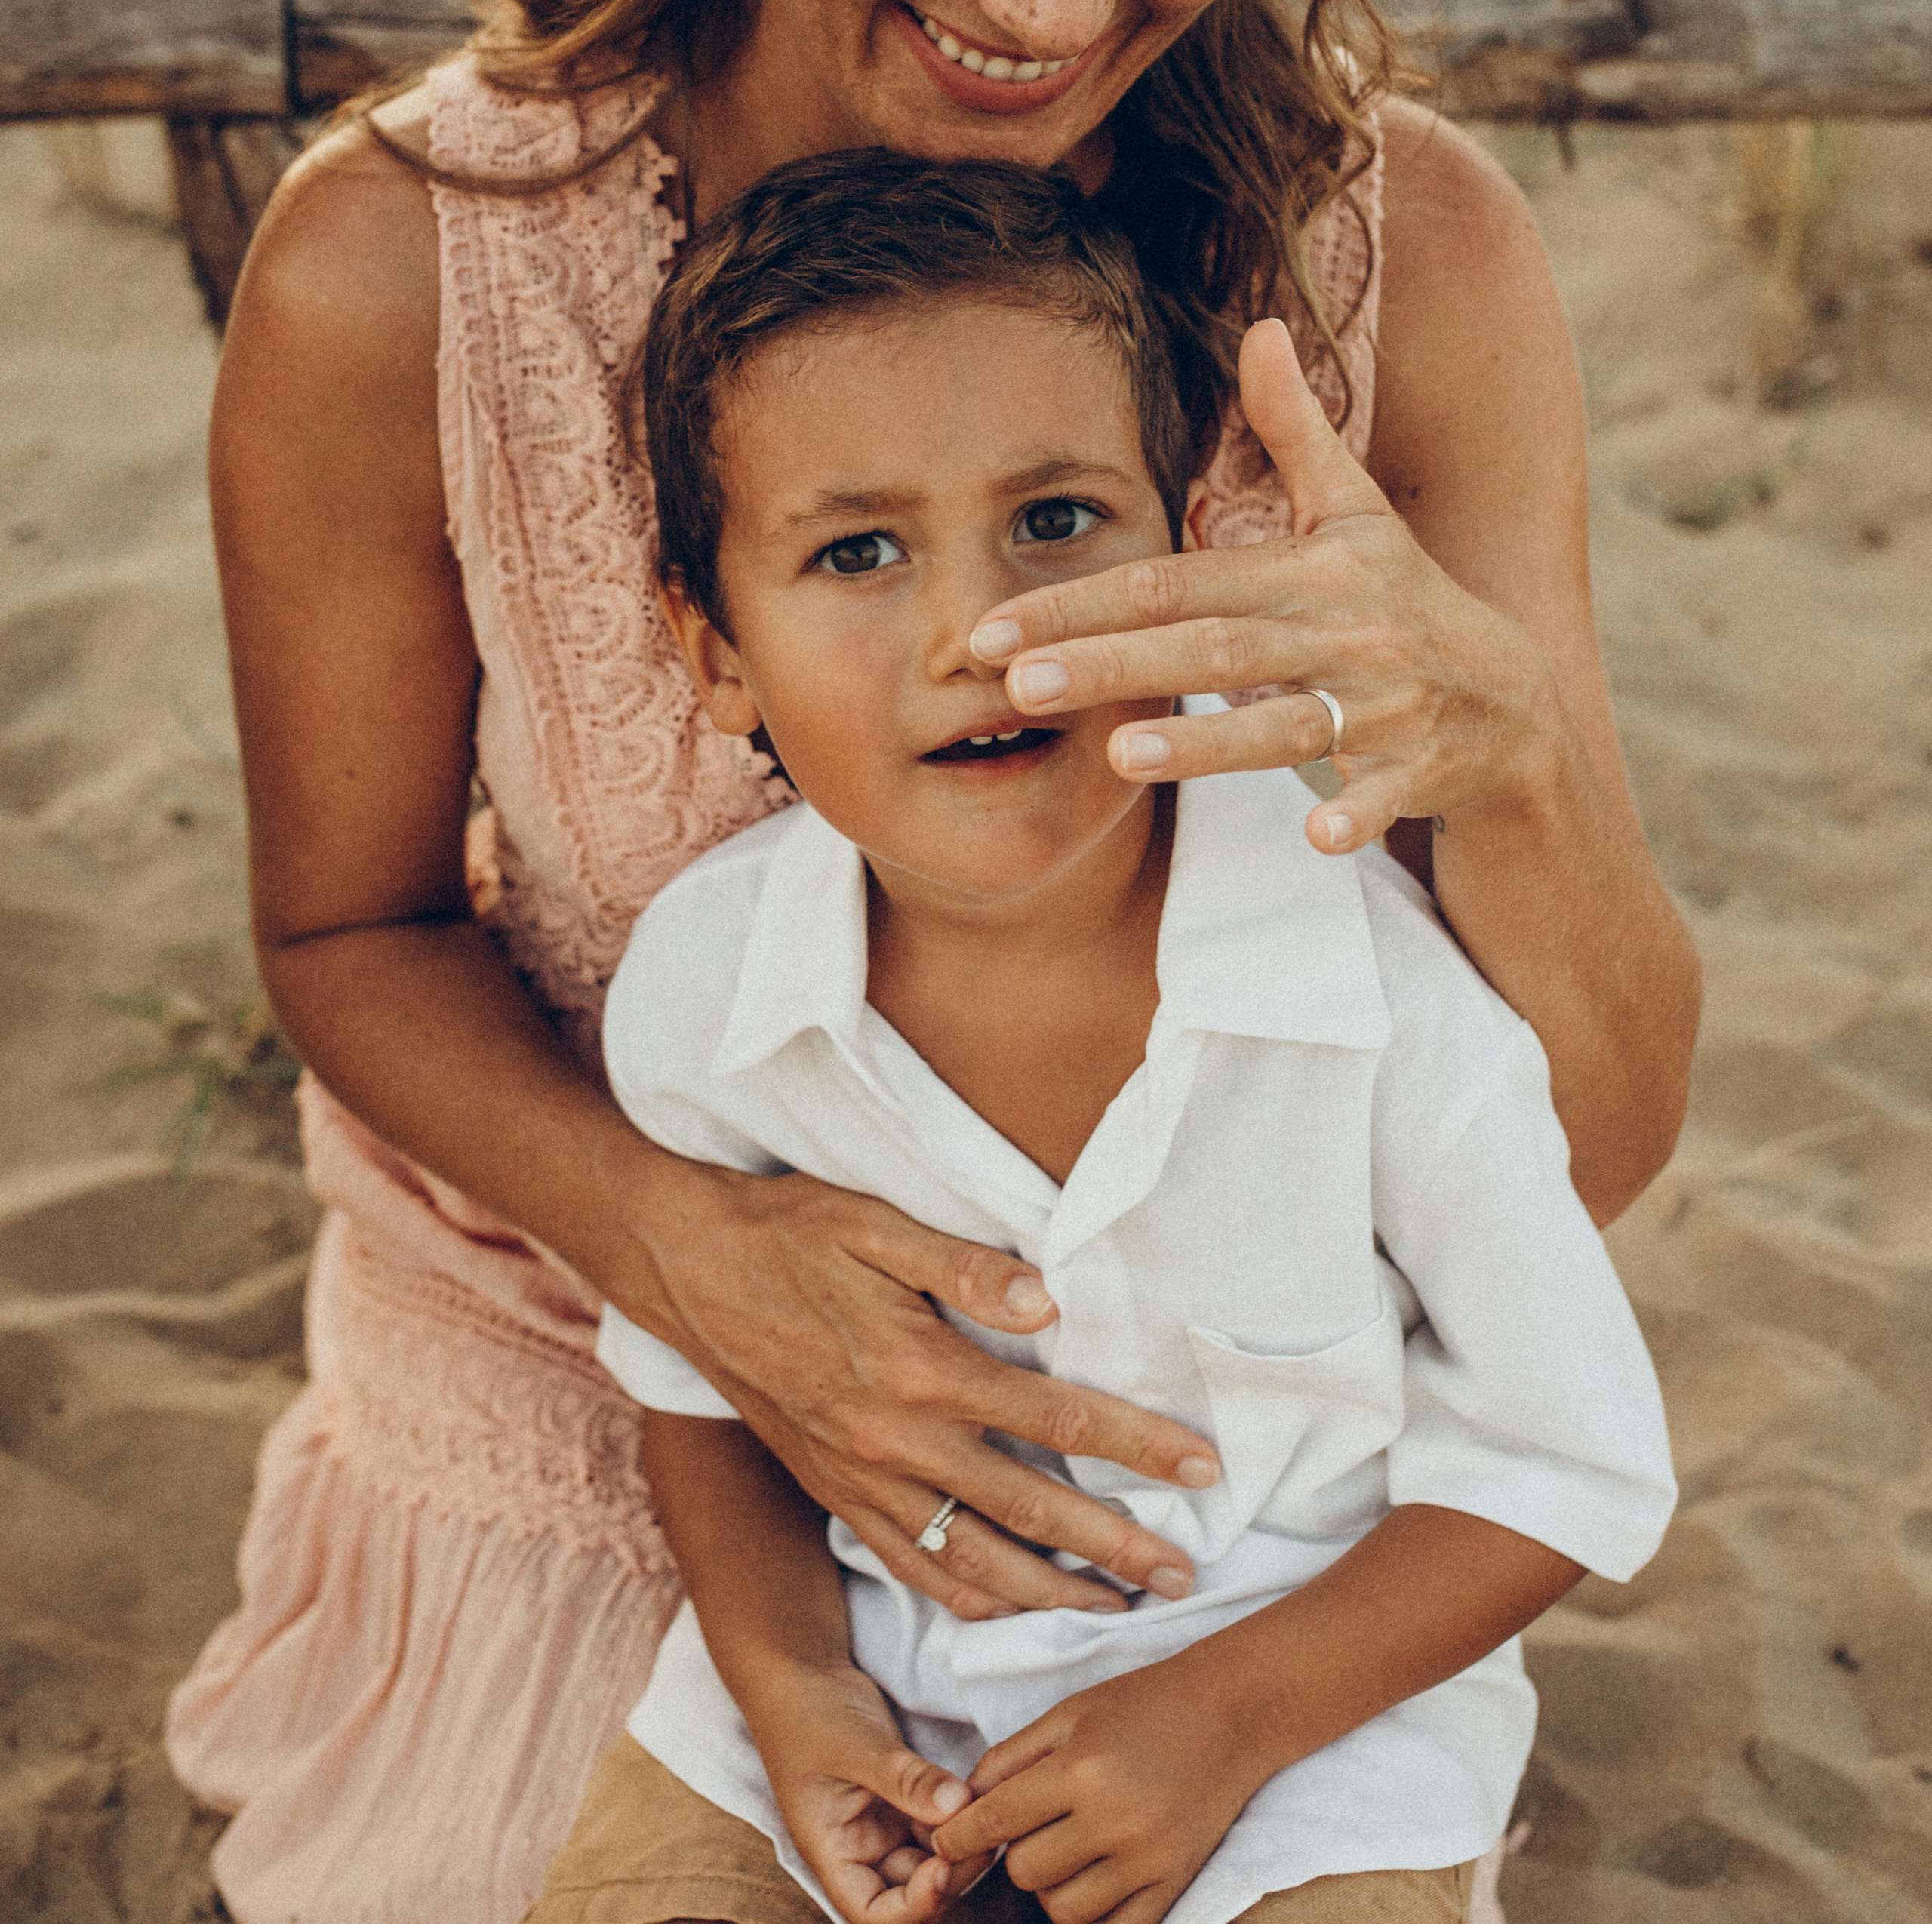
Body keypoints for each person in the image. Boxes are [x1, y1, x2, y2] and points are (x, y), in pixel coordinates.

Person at [166, 0, 1700, 1921]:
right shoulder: (411, 278)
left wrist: (1508, 758)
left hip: (1230, 1525)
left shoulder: (1408, 277)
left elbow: (1584, 1144)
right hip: (604, 1433)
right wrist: (700, 1263)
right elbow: (347, 935)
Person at [525, 149, 1675, 1924]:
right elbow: (703, 1383)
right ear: (714, 654)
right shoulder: (706, 982)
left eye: (1055, 522)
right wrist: (794, 1694)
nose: (980, 634)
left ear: (1192, 557)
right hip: (861, 1683)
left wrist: (1219, 1722)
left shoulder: (1376, 995)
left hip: (1305, 1712)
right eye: (854, 551)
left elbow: (1560, 1454)